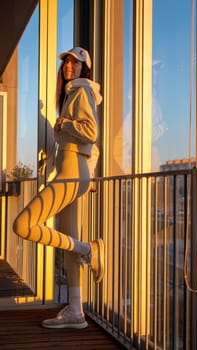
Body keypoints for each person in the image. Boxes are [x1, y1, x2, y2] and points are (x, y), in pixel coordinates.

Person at [13, 46, 104, 329]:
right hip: (72, 173)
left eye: (75, 63)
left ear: (84, 69)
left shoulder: (81, 91)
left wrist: (65, 123)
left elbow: (91, 132)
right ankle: (76, 311)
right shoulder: (71, 94)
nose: (68, 66)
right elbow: (89, 145)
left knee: (23, 224)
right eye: (66, 61)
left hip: (71, 174)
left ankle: (89, 248)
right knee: (67, 244)